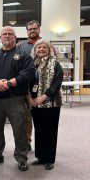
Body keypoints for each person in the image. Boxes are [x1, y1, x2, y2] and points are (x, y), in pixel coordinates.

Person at [0, 26, 34, 171]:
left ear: (15, 37)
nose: (7, 36)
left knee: (19, 129)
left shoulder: (24, 55)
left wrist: (9, 83)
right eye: (4, 34)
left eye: (10, 34)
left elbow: (28, 73)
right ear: (0, 38)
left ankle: (21, 158)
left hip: (15, 99)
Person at [27, 39, 63, 170]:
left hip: (51, 103)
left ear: (49, 50)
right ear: (35, 50)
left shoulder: (55, 63)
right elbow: (29, 82)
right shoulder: (33, 64)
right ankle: (41, 157)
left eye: (44, 48)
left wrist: (44, 96)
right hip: (35, 103)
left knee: (50, 131)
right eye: (39, 48)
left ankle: (49, 159)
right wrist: (30, 97)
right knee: (39, 130)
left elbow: (57, 83)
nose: (41, 49)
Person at [17, 20, 42, 151]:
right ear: (27, 31)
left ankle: (43, 146)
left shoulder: (46, 44)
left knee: (42, 120)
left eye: (34, 29)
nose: (32, 31)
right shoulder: (21, 46)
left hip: (42, 89)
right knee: (26, 118)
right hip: (26, 88)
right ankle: (27, 142)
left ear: (39, 29)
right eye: (29, 29)